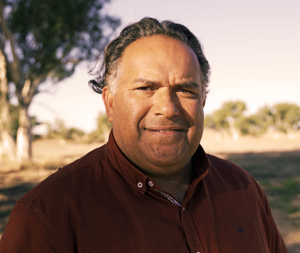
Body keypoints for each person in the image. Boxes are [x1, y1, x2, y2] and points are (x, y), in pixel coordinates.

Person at [0, 17, 287, 253]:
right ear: (110, 103)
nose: (167, 108)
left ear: (203, 102)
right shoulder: (48, 214)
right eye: (145, 88)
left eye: (185, 90)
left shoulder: (244, 188)